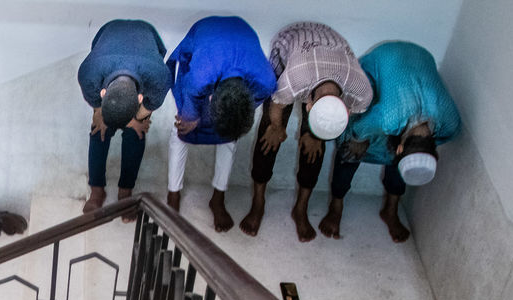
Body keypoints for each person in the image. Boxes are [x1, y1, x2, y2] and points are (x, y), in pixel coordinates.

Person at [239, 22, 373, 241]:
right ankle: (258, 202)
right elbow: (277, 103)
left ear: (345, 106)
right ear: (308, 105)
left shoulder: (361, 92)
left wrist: (316, 135)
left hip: (333, 55)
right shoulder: (293, 80)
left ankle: (300, 208)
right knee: (268, 137)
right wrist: (276, 127)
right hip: (292, 47)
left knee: (314, 148)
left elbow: (343, 120)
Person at [320, 41, 461, 243]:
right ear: (400, 147)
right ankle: (336, 205)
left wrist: (408, 154)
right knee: (351, 150)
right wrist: (359, 141)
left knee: (406, 160)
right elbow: (359, 131)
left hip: (421, 58)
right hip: (381, 60)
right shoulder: (388, 117)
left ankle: (390, 209)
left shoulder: (451, 122)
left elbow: (428, 144)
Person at [166, 16, 276, 231]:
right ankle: (173, 193)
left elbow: (244, 110)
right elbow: (190, 93)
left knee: (229, 138)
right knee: (181, 131)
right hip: (205, 31)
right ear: (211, 96)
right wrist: (192, 118)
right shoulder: (199, 77)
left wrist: (232, 122)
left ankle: (218, 198)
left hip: (241, 34)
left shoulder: (265, 82)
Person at [77, 19, 173, 219]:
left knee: (136, 132)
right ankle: (97, 189)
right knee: (99, 129)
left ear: (140, 97)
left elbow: (143, 114)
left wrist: (135, 121)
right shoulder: (89, 73)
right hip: (108, 32)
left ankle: (125, 191)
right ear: (102, 92)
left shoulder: (159, 78)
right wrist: (100, 115)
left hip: (148, 39)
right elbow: (98, 112)